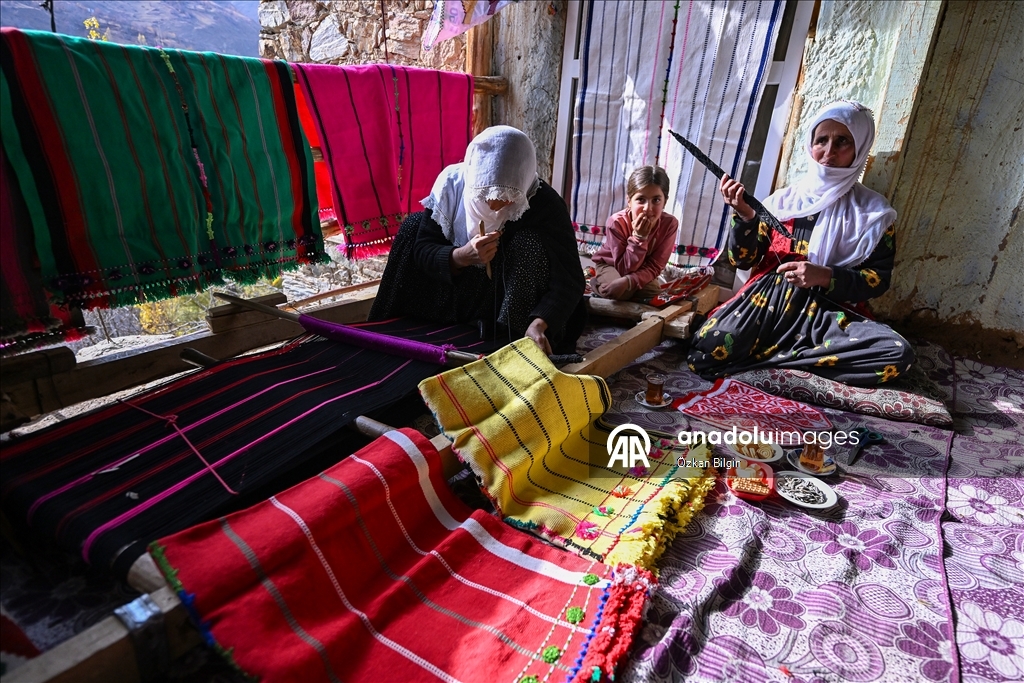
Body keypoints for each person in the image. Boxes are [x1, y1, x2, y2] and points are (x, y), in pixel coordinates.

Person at [687, 100, 914, 386]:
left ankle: (771, 363)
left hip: (827, 315)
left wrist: (824, 275)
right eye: (822, 140)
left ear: (860, 148)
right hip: (767, 307)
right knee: (707, 349)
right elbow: (742, 261)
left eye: (842, 141)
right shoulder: (782, 202)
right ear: (810, 144)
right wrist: (745, 215)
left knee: (896, 354)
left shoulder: (874, 214)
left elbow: (877, 280)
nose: (829, 152)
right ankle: (801, 365)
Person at [369, 126, 586, 355]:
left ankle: (509, 339)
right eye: (487, 195)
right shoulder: (453, 187)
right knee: (412, 227)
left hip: (508, 306)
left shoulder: (543, 202)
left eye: (508, 198)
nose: (495, 206)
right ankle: (410, 326)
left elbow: (569, 279)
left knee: (528, 242)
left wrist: (539, 324)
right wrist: (461, 256)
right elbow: (423, 250)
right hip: (456, 296)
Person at [590, 166, 679, 301]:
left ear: (665, 202)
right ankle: (596, 283)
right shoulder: (616, 223)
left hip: (641, 268)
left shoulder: (670, 224)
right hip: (612, 265)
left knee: (654, 296)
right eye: (641, 199)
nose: (648, 208)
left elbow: (655, 266)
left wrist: (629, 281)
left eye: (656, 200)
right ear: (629, 201)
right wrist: (639, 237)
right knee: (621, 294)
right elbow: (624, 268)